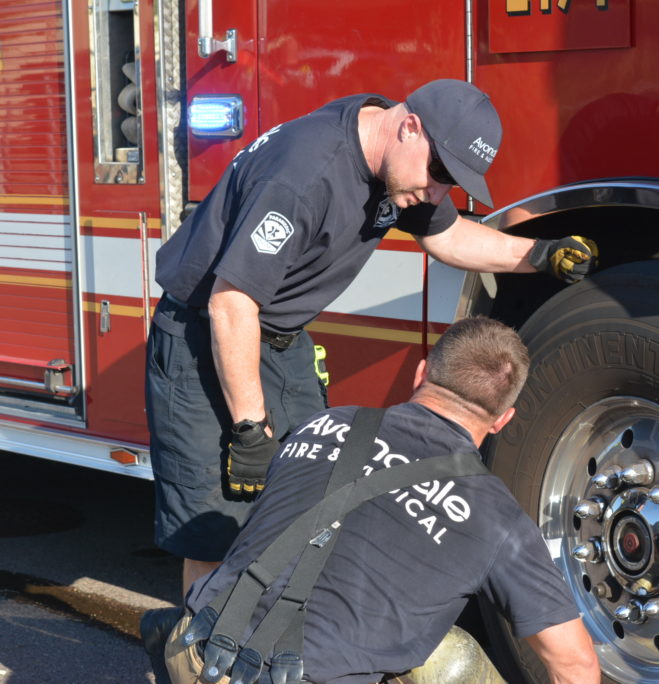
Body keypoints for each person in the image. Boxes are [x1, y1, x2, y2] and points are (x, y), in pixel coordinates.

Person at [146, 78, 599, 594]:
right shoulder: (305, 174)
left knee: (307, 504)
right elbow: (231, 303)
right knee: (216, 531)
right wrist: (250, 429)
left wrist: (539, 254)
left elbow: (447, 236)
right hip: (207, 342)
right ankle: (200, 641)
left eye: (452, 181)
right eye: (440, 173)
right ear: (409, 127)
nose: (438, 192)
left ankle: (268, 636)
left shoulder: (395, 160)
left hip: (278, 339)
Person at [158, 315, 600, 684]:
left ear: (421, 373)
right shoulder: (497, 516)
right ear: (503, 420)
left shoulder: (323, 423)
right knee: (452, 660)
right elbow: (574, 664)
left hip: (195, 653)